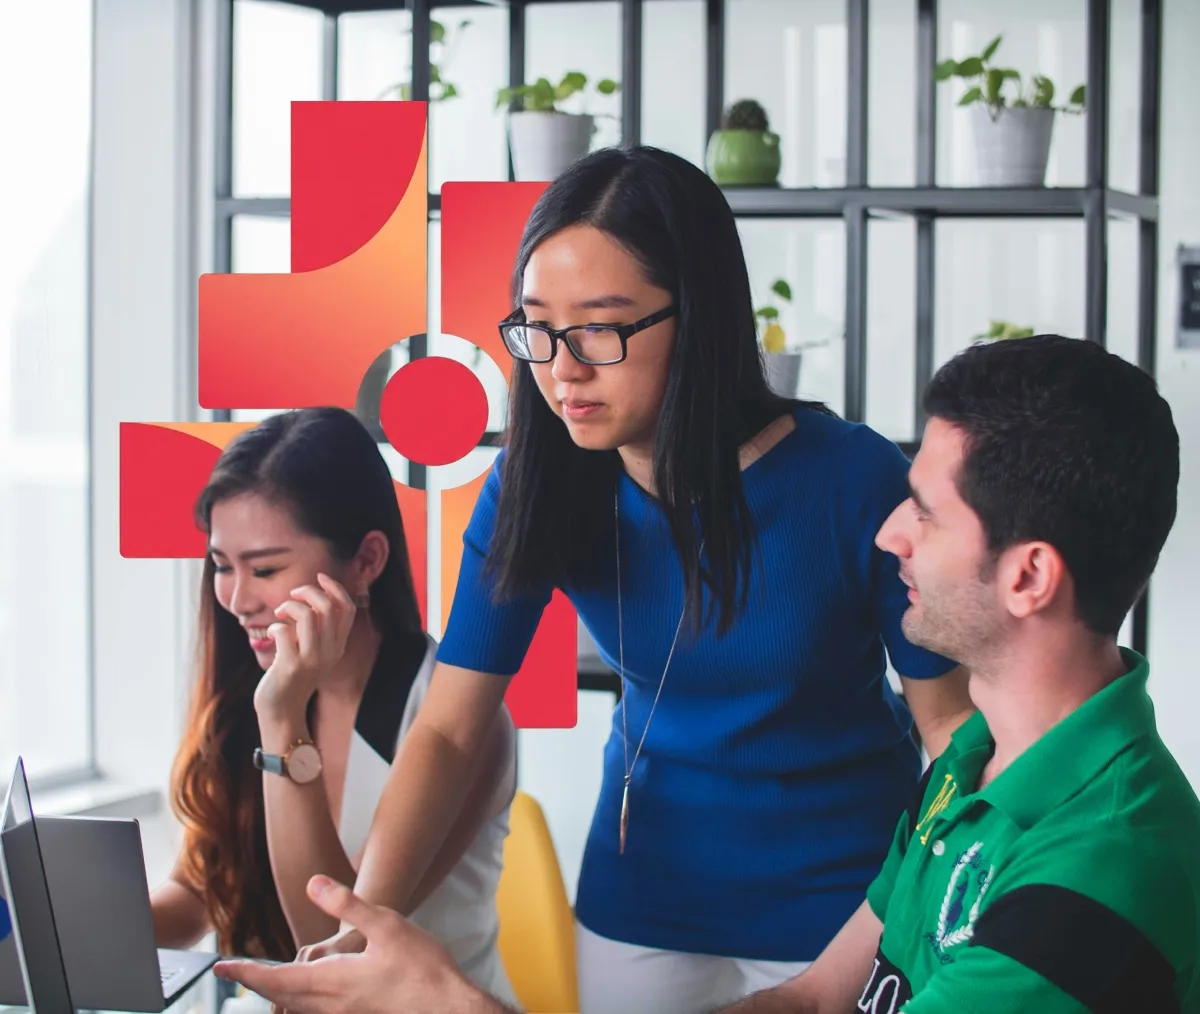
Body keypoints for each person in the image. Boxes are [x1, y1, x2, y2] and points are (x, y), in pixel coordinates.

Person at [213, 334, 1200, 1014]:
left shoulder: (1100, 873)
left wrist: (449, 1001)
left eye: (926, 514)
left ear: (1029, 576)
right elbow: (812, 999)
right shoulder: (969, 768)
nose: (890, 531)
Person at [253, 144, 973, 1014]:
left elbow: (950, 735)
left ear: (698, 316)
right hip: (641, 898)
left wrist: (932, 912)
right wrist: (367, 920)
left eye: (599, 327)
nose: (562, 369)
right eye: (537, 328)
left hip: (843, 902)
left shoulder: (851, 479)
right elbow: (446, 728)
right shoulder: (540, 479)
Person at [150, 407, 519, 1007]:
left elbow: (333, 947)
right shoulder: (249, 688)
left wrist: (282, 716)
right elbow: (200, 892)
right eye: (221, 566)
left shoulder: (448, 717)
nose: (238, 600)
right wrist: (66, 925)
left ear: (367, 561)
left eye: (265, 568)